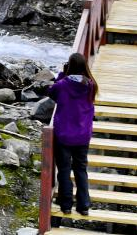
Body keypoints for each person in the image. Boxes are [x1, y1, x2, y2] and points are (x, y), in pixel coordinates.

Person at [48, 52, 97, 217]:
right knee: (81, 169)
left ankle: (66, 204)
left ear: (70, 66)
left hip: (64, 134)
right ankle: (83, 205)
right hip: (83, 135)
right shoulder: (91, 85)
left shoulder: (62, 85)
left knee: (64, 169)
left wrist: (62, 74)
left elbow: (51, 92)